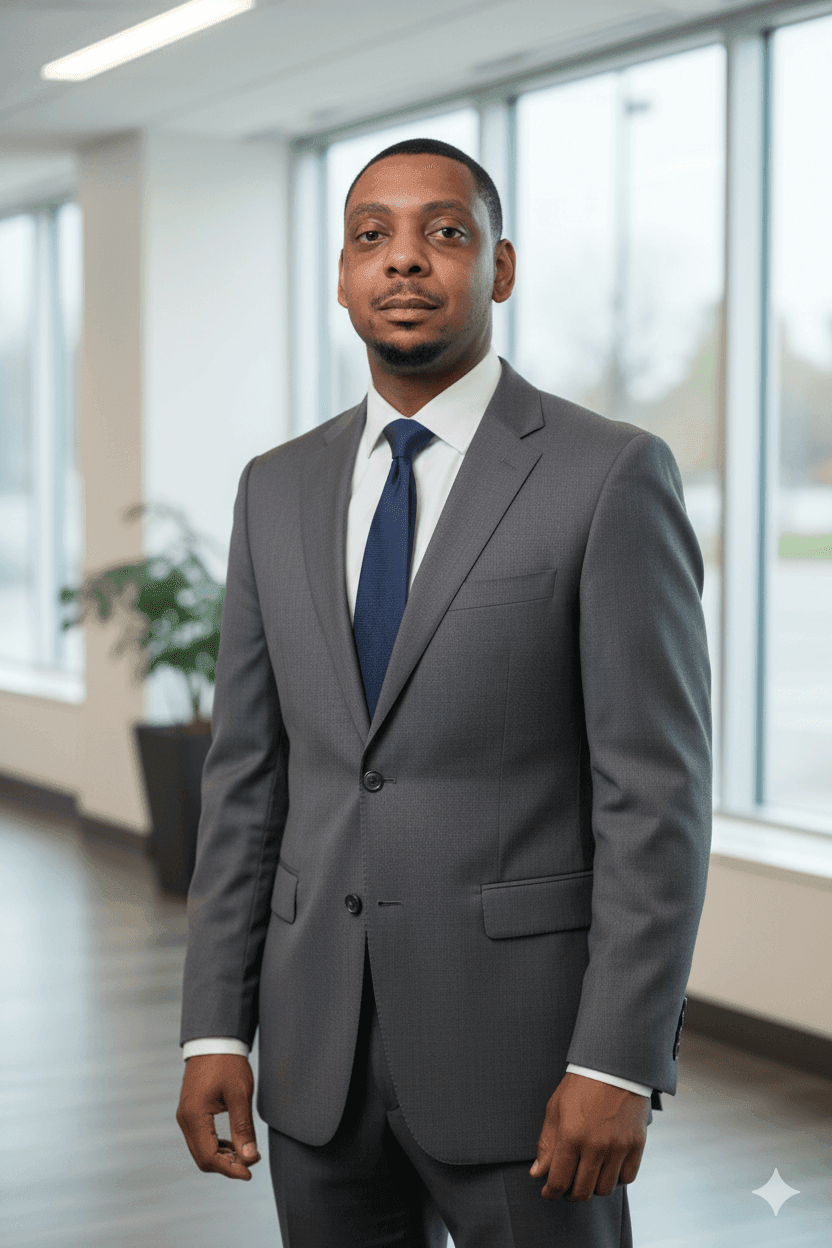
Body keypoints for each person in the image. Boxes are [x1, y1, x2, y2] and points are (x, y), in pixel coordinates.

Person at [176, 137, 711, 1248]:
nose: (404, 261)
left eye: (444, 232)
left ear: (500, 268)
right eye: (372, 235)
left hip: (526, 1065)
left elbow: (653, 797)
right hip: (315, 1057)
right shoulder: (276, 488)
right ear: (341, 274)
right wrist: (212, 1029)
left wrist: (616, 1055)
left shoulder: (607, 474)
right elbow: (245, 781)